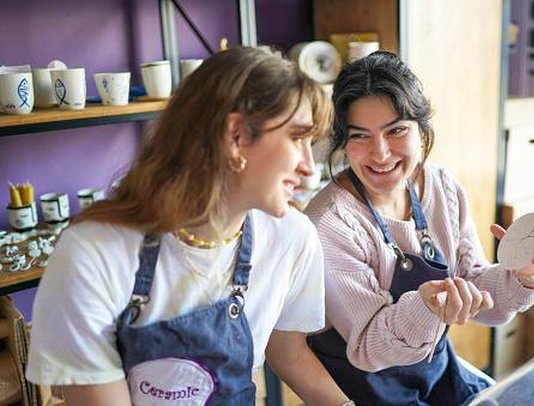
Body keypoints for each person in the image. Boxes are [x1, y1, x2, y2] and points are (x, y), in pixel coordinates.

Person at [26, 47, 352, 406]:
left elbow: (290, 356)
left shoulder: (291, 237)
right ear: (236, 136)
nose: (309, 166)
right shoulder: (93, 252)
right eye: (297, 139)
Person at [305, 51, 534, 406]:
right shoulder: (329, 223)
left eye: (396, 131)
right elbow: (369, 346)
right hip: (364, 392)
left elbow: (476, 289)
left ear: (422, 133)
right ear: (343, 143)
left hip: (437, 373)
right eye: (360, 136)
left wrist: (519, 277)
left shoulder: (442, 187)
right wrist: (426, 308)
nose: (379, 154)